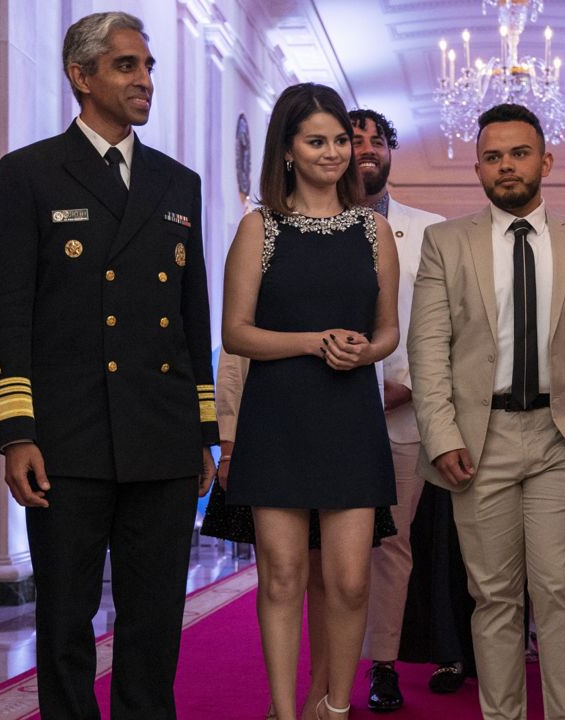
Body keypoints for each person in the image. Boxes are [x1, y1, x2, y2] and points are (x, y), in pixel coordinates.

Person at [0, 11, 217, 718]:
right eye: (125, 66)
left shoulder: (178, 183)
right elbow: (8, 309)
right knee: (64, 623)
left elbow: (191, 315)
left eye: (147, 66)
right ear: (80, 76)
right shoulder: (29, 173)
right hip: (67, 437)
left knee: (152, 625)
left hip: (161, 434)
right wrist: (15, 430)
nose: (144, 79)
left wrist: (202, 430)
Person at [408, 103, 565, 720]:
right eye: (493, 157)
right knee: (491, 597)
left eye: (519, 154)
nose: (506, 166)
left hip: (561, 435)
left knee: (560, 592)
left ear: (545, 160)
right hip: (477, 438)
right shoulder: (445, 242)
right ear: (478, 168)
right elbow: (428, 348)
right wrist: (439, 435)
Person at [222, 82, 399, 720]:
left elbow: (388, 331)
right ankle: (283, 711)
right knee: (283, 575)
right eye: (316, 141)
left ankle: (334, 707)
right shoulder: (259, 227)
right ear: (289, 150)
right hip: (279, 418)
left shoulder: (375, 231)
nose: (333, 154)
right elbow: (234, 332)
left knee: (350, 581)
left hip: (350, 417)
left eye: (341, 142)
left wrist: (367, 352)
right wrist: (310, 341)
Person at [206, 347, 397, 717]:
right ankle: (282, 704)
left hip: (342, 430)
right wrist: (228, 447)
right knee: (280, 576)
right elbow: (233, 362)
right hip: (272, 433)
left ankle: (320, 694)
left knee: (337, 578)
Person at [346, 107, 453, 711]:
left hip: (402, 411)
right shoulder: (311, 222)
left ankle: (381, 663)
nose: (364, 149)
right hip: (327, 412)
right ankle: (334, 661)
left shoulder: (429, 230)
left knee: (391, 542)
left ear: (392, 151)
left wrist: (407, 384)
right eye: (352, 138)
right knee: (328, 545)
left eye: (375, 140)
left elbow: (445, 327)